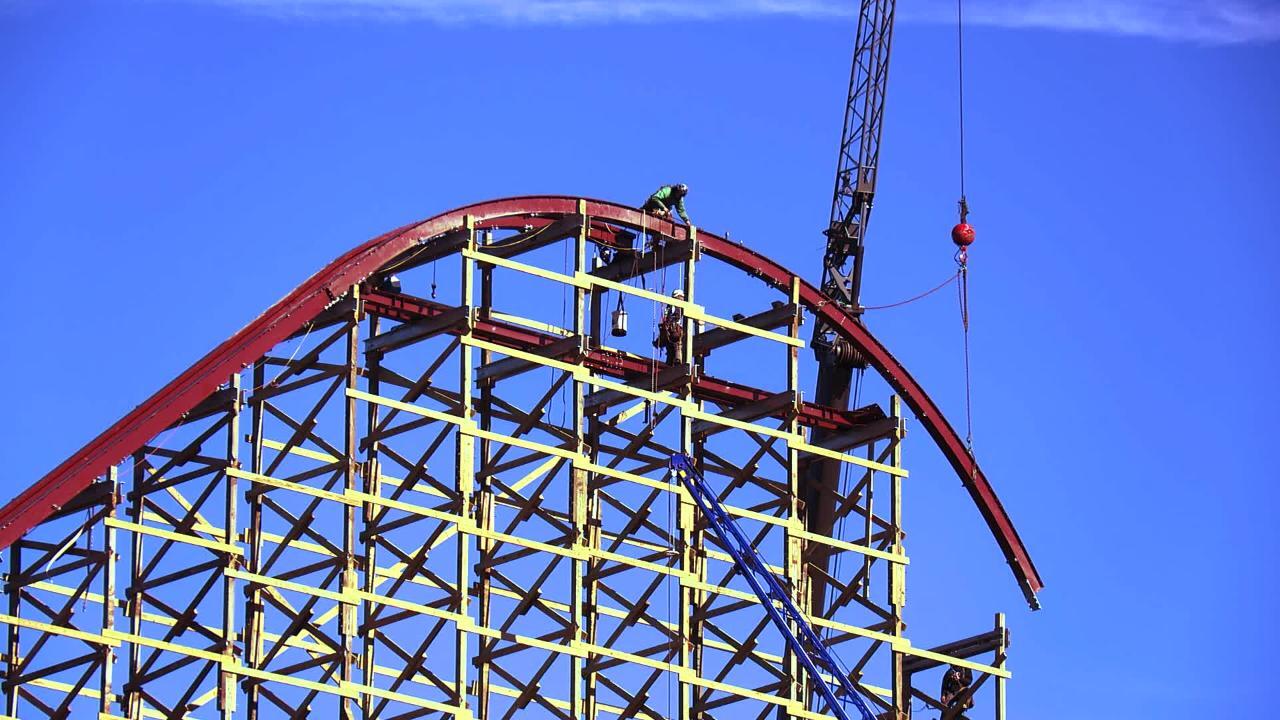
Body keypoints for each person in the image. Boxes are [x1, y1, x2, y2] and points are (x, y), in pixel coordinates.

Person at [654, 289, 686, 365]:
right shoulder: (677, 305)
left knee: (670, 348)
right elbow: (676, 316)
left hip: (668, 331)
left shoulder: (669, 306)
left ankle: (669, 363)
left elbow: (667, 318)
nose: (683, 299)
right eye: (681, 297)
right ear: (678, 296)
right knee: (677, 345)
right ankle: (678, 360)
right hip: (674, 330)